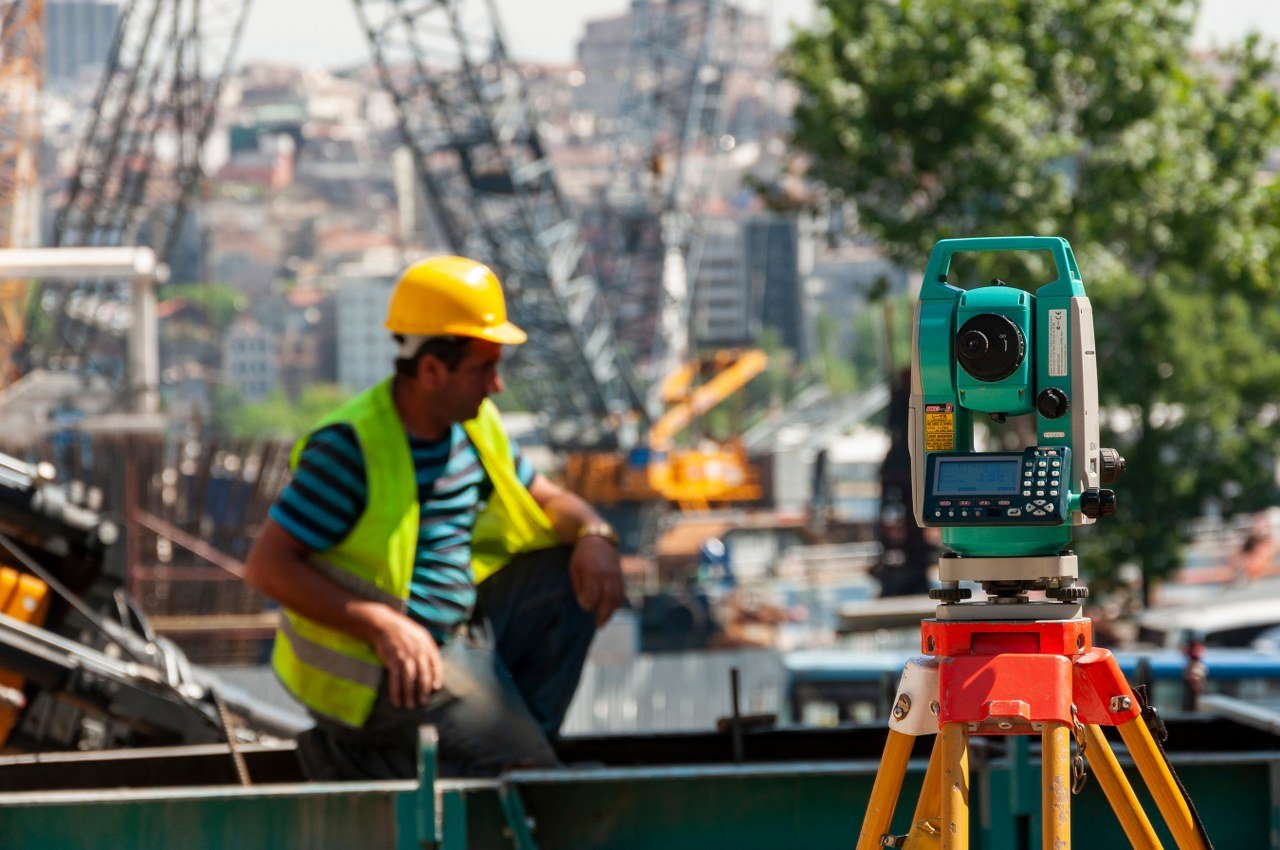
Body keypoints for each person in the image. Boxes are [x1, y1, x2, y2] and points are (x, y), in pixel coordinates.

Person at [243, 255, 626, 780]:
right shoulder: (352, 449)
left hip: (459, 636)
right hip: (381, 669)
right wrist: (382, 625)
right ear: (430, 371)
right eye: (483, 369)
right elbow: (267, 566)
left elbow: (546, 497)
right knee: (526, 774)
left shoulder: (473, 426)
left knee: (569, 576)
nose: (496, 385)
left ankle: (507, 749)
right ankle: (486, 758)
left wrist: (594, 534)